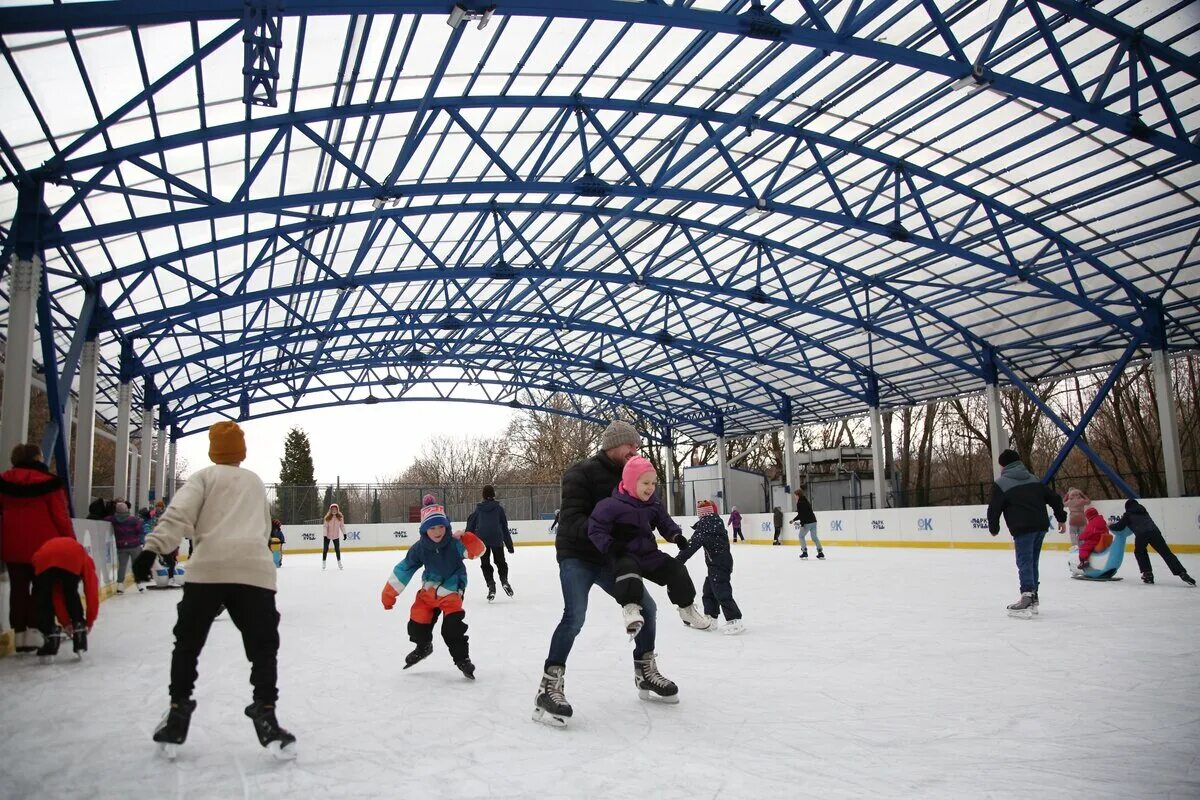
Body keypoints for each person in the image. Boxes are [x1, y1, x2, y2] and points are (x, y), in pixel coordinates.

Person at [131, 421, 296, 760]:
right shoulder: (253, 482)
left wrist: (152, 549)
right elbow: (265, 529)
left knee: (188, 644)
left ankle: (178, 711)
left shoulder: (204, 477)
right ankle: (266, 711)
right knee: (263, 647)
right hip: (254, 571)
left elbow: (179, 514)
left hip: (208, 571)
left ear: (212, 450)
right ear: (242, 451)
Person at [533, 420, 680, 729]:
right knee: (574, 616)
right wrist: (607, 528)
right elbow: (571, 520)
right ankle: (549, 687)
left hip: (610, 556)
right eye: (630, 445)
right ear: (613, 445)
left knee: (647, 608)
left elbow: (651, 511)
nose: (635, 450)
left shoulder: (636, 475)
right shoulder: (580, 473)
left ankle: (645, 672)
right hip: (577, 555)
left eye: (637, 446)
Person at [587, 455, 711, 637]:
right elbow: (595, 528)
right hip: (624, 553)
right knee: (628, 571)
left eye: (653, 483)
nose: (651, 488)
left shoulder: (653, 503)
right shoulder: (610, 506)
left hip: (648, 554)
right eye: (646, 483)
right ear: (630, 481)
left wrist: (676, 536)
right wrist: (610, 546)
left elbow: (664, 521)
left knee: (677, 569)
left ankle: (686, 608)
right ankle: (631, 609)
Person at [381, 495, 484, 679]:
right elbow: (405, 568)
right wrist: (390, 593)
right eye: (432, 527)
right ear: (424, 530)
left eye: (441, 526)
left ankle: (462, 659)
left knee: (452, 629)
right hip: (429, 589)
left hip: (452, 588)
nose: (437, 531)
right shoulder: (420, 548)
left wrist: (467, 538)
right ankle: (424, 646)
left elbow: (477, 552)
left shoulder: (454, 544)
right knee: (417, 623)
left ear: (447, 526)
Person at [0, 443, 75, 653]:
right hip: (45, 547)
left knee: (18, 589)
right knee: (42, 590)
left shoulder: (4, 481)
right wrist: (70, 542)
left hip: (12, 544)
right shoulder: (49, 484)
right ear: (36, 458)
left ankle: (20, 633)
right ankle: (37, 630)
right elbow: (61, 517)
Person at [986, 449, 1066, 619]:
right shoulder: (1033, 479)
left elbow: (994, 508)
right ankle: (1033, 595)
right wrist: (1061, 518)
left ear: (1003, 465)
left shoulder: (1001, 483)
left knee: (1024, 562)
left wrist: (994, 528)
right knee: (1032, 561)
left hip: (1022, 527)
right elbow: (1054, 498)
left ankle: (1027, 595)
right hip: (1041, 526)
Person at [679, 500, 743, 634]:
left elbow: (690, 547)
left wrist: (677, 561)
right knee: (709, 590)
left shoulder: (705, 527)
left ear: (702, 514)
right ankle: (711, 617)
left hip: (717, 564)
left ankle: (735, 619)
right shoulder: (716, 523)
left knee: (721, 592)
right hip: (721, 563)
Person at [31, 535, 98, 660]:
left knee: (44, 597)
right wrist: (89, 620)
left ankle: (49, 634)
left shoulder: (52, 547)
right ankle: (78, 629)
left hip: (42, 558)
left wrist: (65, 623)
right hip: (71, 555)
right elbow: (91, 589)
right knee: (70, 592)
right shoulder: (86, 559)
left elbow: (55, 596)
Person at [1114, 499, 1195, 586]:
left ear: (1127, 507)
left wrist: (1110, 526)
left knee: (1140, 552)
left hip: (1141, 534)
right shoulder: (1143, 511)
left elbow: (1119, 527)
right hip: (1155, 532)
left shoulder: (1128, 514)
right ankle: (1182, 573)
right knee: (1166, 553)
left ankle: (1147, 574)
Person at [467, 485, 514, 602]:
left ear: (483, 495)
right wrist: (509, 545)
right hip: (497, 538)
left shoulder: (478, 509)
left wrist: (468, 542)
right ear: (494, 495)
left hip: (482, 540)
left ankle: (491, 585)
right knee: (500, 562)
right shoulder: (499, 509)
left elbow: (470, 526)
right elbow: (504, 527)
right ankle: (504, 580)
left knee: (485, 564)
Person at [107, 500, 145, 593]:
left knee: (122, 566)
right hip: (134, 546)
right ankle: (139, 583)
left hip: (121, 547)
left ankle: (120, 585)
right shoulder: (134, 519)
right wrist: (141, 541)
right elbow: (140, 530)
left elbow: (103, 520)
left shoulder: (113, 519)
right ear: (127, 509)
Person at [791, 487, 824, 559]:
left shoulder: (799, 503)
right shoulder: (806, 501)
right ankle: (820, 552)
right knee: (814, 537)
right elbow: (805, 513)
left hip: (807, 523)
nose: (795, 497)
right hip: (813, 521)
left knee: (801, 536)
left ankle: (804, 552)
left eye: (795, 495)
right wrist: (794, 520)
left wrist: (802, 524)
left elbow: (801, 514)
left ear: (798, 495)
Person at [1076, 507, 1110, 571]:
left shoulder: (1092, 522)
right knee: (1087, 545)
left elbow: (1088, 533)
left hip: (1095, 540)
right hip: (1101, 539)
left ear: (1089, 516)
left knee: (1083, 548)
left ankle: (1084, 561)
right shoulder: (1101, 520)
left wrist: (1080, 537)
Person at [322, 502, 345, 570]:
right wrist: (325, 535)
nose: (334, 510)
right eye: (333, 509)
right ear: (330, 510)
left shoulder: (340, 517)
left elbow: (342, 526)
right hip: (327, 536)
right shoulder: (327, 517)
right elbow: (325, 527)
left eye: (335, 509)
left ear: (337, 510)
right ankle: (324, 562)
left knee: (337, 549)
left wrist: (344, 533)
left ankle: (339, 562)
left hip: (336, 536)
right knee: (325, 549)